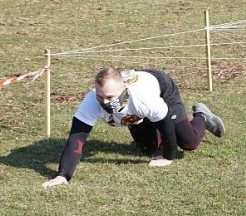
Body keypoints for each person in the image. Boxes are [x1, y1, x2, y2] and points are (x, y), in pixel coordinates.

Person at [43, 67, 225, 188]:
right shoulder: (91, 102)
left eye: (110, 97)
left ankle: (202, 116)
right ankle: (146, 125)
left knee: (188, 143)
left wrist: (168, 156)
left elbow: (166, 126)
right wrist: (63, 175)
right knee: (149, 149)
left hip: (162, 88)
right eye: (100, 96)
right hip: (138, 112)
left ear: (123, 89)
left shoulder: (145, 100)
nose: (104, 102)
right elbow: (76, 139)